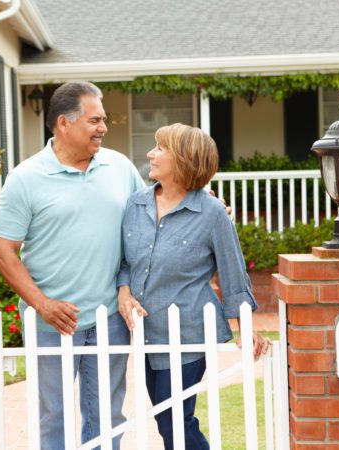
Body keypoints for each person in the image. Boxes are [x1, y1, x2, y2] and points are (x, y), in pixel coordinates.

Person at [0, 81, 145, 449]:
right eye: (94, 120)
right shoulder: (25, 178)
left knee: (107, 416)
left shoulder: (119, 167)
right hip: (52, 322)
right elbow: (3, 251)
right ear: (64, 123)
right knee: (53, 416)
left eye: (103, 119)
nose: (103, 128)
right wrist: (43, 305)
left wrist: (205, 206)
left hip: (109, 317)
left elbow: (151, 215)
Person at [117, 123, 271, 450]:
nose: (151, 154)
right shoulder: (135, 204)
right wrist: (124, 290)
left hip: (188, 333)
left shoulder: (212, 213)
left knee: (174, 420)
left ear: (185, 160)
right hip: (146, 334)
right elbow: (125, 263)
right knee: (165, 419)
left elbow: (233, 273)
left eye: (161, 148)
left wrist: (245, 325)